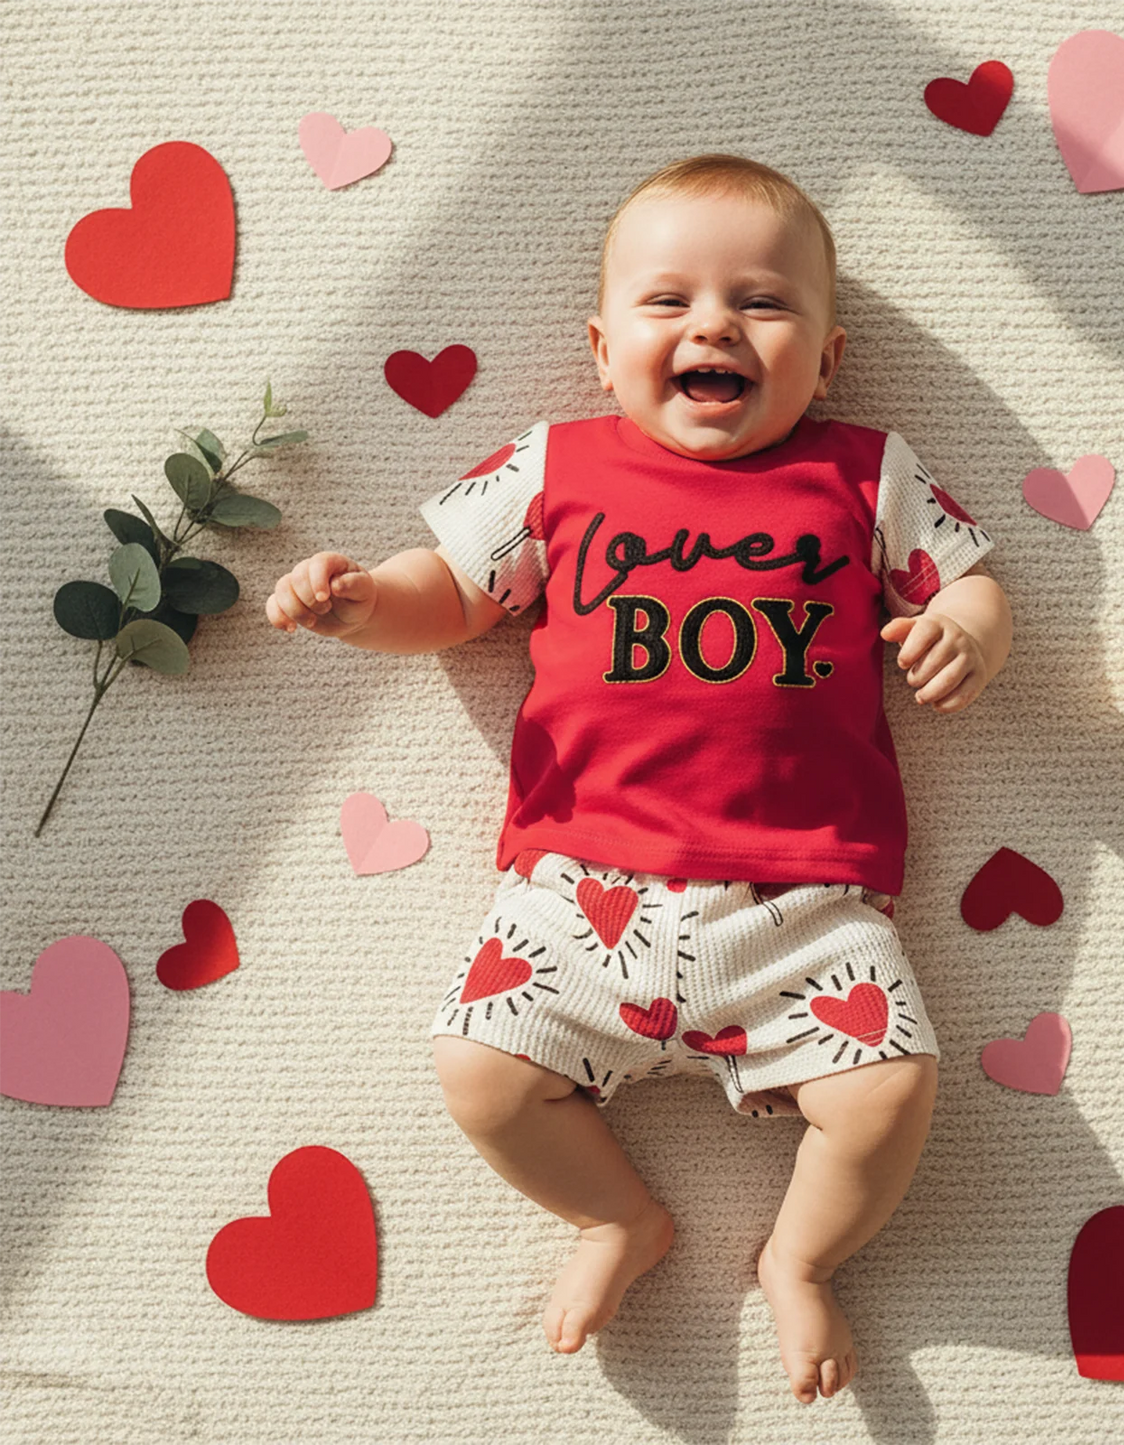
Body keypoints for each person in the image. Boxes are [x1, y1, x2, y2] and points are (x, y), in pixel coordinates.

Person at [265, 153, 1013, 1405]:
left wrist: (968, 632)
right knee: (479, 1070)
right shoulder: (554, 466)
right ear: (603, 351)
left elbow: (969, 576)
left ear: (827, 360)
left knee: (889, 1091)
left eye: (761, 302)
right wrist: (363, 604)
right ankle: (617, 1215)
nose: (713, 325)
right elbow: (451, 593)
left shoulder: (863, 471)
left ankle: (799, 1255)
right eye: (668, 301)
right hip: (579, 886)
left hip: (802, 903)